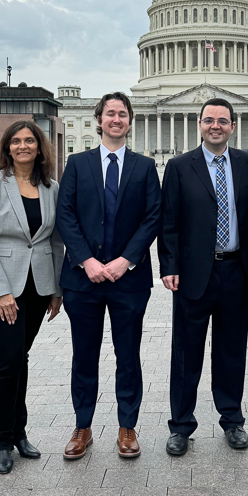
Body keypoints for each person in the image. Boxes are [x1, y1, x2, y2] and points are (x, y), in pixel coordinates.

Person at [56, 92, 161, 460]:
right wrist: (86, 260)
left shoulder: (144, 167)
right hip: (83, 280)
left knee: (128, 355)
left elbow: (153, 217)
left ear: (130, 121)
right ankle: (82, 426)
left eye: (122, 114)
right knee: (84, 355)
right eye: (110, 114)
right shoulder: (77, 163)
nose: (116, 119)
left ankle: (127, 426)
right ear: (99, 119)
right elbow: (65, 213)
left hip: (128, 280)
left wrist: (125, 260)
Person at [159, 98, 248, 456]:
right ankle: (181, 425)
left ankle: (232, 420)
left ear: (233, 125)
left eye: (222, 120)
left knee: (231, 349)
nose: (215, 126)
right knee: (186, 353)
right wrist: (169, 266)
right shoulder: (178, 166)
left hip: (236, 269)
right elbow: (169, 222)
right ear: (199, 124)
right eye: (209, 120)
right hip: (191, 273)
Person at [0, 121, 63, 474]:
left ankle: (19, 432)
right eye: (16, 141)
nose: (23, 146)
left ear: (40, 148)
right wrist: (1, 291)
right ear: (7, 148)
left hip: (38, 287)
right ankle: (0, 438)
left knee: (21, 358)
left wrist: (56, 290)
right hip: (3, 289)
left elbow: (55, 241)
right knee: (9, 358)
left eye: (29, 140)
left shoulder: (50, 187)